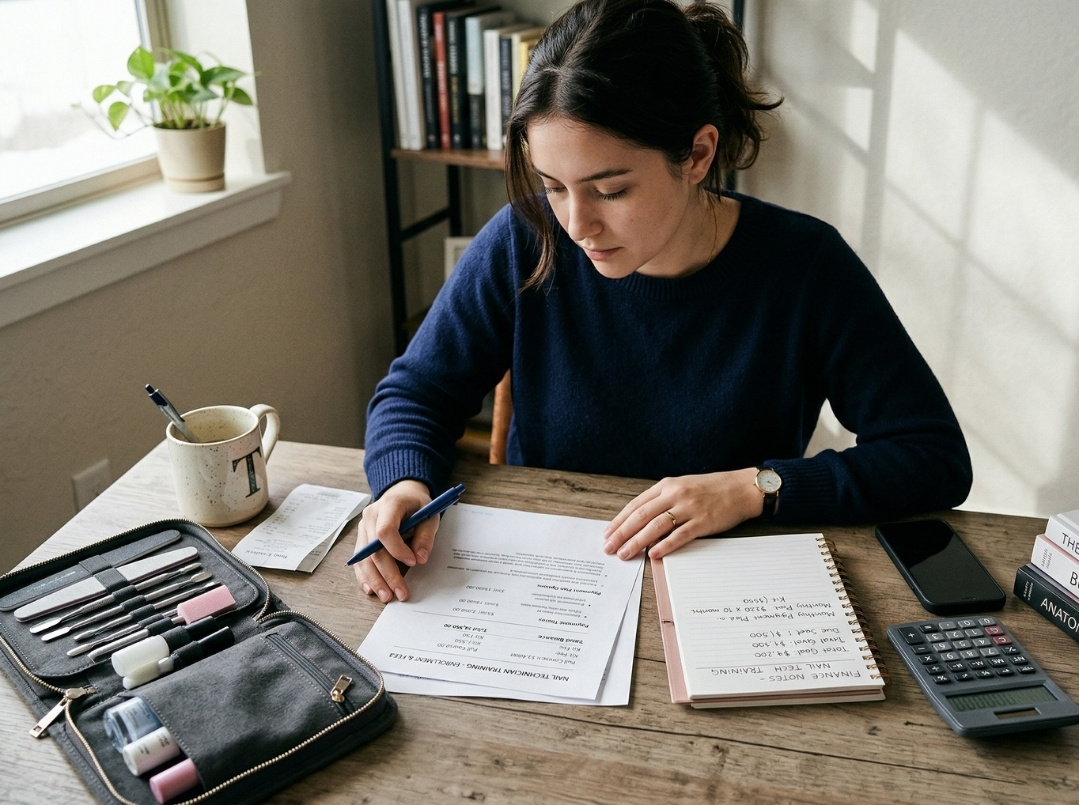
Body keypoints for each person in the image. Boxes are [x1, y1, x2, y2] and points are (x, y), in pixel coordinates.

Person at [353, 0, 972, 602]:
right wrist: (403, 484)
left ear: (698, 154)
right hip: (556, 583)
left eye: (611, 190)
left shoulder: (805, 265)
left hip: (728, 592)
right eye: (553, 186)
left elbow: (931, 456)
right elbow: (416, 392)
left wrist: (757, 488)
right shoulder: (526, 237)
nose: (576, 224)